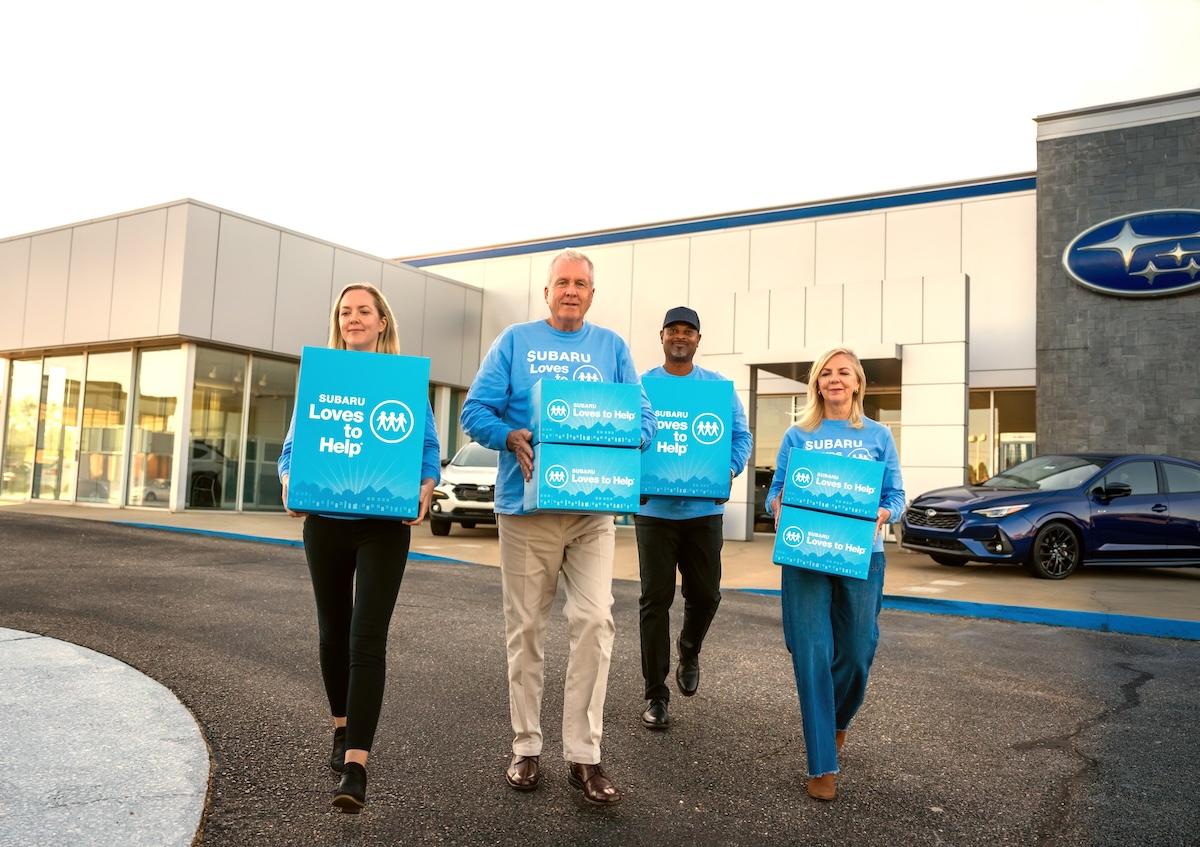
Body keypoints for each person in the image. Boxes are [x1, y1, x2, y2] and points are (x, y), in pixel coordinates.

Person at [461, 249, 655, 806]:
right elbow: (474, 410)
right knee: (526, 629)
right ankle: (526, 745)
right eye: (562, 282)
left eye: (581, 283)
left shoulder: (613, 348)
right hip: (526, 510)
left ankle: (585, 756)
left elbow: (643, 420)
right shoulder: (516, 341)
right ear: (546, 292)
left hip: (593, 511)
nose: (571, 290)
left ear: (592, 294)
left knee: (595, 621)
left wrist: (620, 435)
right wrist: (510, 436)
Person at [278, 282, 440, 813]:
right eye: (345, 311)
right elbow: (293, 445)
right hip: (324, 522)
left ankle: (356, 766)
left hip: (383, 526)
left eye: (363, 311)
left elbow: (427, 447)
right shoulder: (321, 376)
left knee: (367, 637)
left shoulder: (403, 379)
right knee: (333, 632)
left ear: (381, 322)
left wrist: (426, 483)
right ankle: (340, 724)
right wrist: (287, 479)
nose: (353, 318)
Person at [765, 346, 904, 802]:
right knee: (811, 651)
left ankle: (838, 720)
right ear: (817, 384)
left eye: (844, 372)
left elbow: (896, 494)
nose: (835, 379)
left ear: (858, 382)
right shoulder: (797, 435)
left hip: (862, 555)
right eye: (827, 373)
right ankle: (822, 761)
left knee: (859, 648)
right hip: (806, 554)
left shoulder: (879, 436)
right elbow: (776, 493)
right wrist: (777, 504)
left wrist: (884, 512)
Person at [635, 306, 752, 730]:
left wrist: (731, 468)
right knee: (655, 600)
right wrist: (633, 477)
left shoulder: (717, 389)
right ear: (661, 336)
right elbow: (631, 437)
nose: (680, 337)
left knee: (706, 596)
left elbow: (741, 437)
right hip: (654, 512)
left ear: (698, 339)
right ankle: (656, 695)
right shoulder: (644, 385)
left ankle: (689, 647)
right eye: (673, 331)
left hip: (704, 512)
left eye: (688, 331)